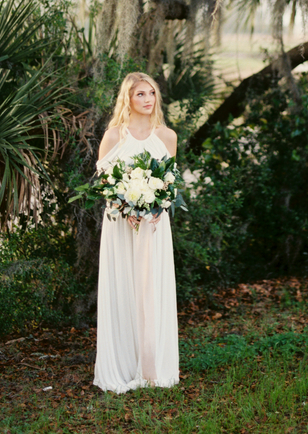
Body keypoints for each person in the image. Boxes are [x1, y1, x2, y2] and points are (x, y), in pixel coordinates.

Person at [93, 72, 179, 393]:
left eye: (151, 93)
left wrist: (156, 207)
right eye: (140, 94)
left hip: (155, 226)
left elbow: (169, 182)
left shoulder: (167, 136)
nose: (147, 100)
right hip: (122, 227)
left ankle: (154, 365)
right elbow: (104, 181)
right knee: (124, 287)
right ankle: (124, 364)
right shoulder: (115, 136)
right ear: (127, 99)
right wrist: (126, 208)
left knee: (152, 289)